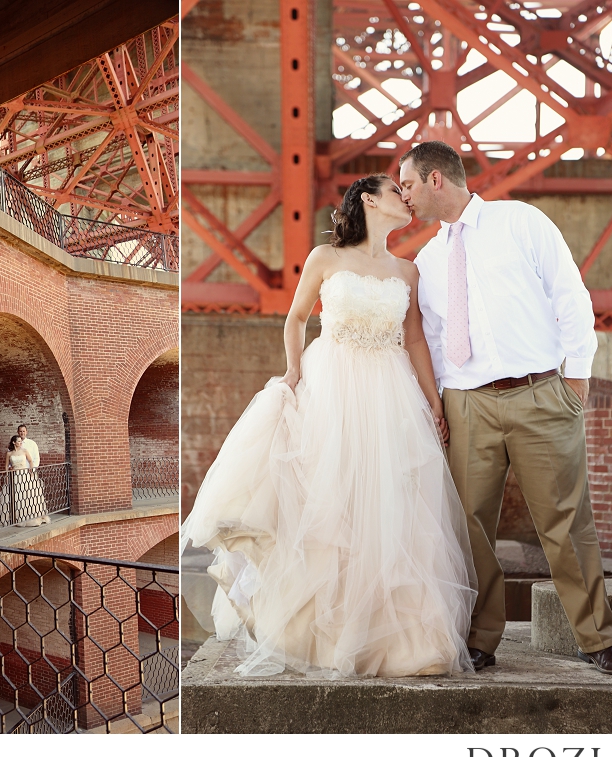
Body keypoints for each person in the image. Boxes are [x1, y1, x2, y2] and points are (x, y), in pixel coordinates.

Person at [181, 173, 476, 678]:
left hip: (391, 392)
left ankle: (400, 640)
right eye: (394, 192)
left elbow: (417, 342)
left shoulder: (408, 271)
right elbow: (296, 318)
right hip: (331, 383)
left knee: (391, 506)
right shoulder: (325, 259)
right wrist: (294, 370)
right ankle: (325, 635)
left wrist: (434, 403)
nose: (405, 200)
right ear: (368, 200)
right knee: (329, 502)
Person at [398, 140, 612, 676]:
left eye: (408, 184)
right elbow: (432, 341)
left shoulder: (521, 222)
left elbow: (569, 296)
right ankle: (481, 639)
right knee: (468, 527)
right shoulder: (428, 261)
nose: (404, 195)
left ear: (437, 180)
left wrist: (576, 378)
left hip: (540, 394)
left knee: (567, 521)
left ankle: (596, 640)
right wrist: (438, 409)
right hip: (466, 404)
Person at [1, 434, 50, 527]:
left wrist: (31, 471)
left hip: (24, 475)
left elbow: (31, 461)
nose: (20, 443)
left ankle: (28, 516)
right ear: (13, 442)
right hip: (14, 476)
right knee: (14, 495)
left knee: (27, 495)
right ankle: (14, 517)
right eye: (18, 441)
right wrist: (7, 475)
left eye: (21, 441)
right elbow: (6, 465)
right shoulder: (9, 453)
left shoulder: (24, 451)